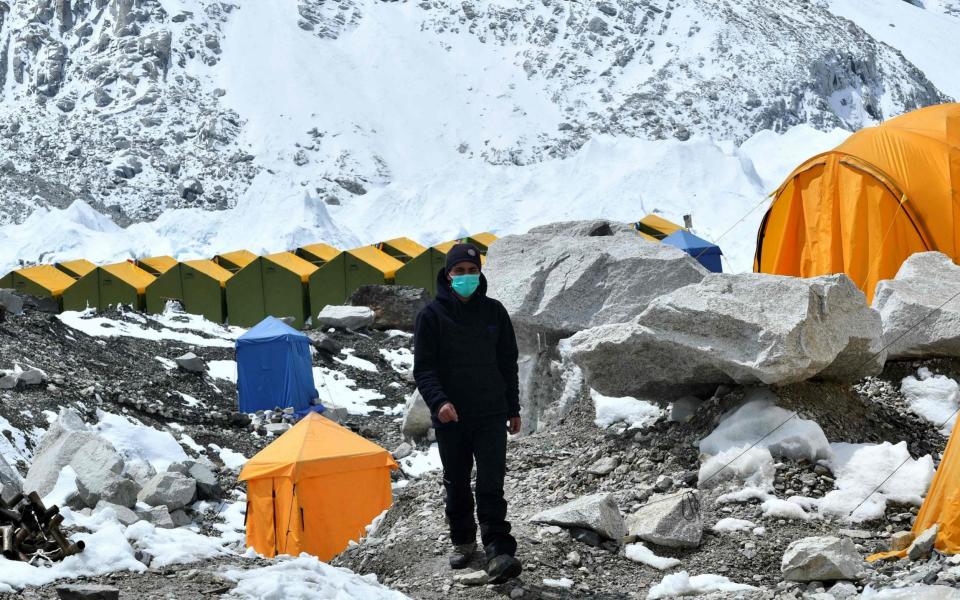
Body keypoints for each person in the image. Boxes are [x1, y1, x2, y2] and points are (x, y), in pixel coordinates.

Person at [413, 242, 522, 583]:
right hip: (452, 418)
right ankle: (463, 541)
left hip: (491, 413)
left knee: (491, 482)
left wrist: (513, 407)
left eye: (472, 271)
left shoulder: (495, 312)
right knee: (457, 482)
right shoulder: (431, 316)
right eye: (459, 271)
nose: (466, 277)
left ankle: (497, 548)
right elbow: (424, 369)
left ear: (480, 274)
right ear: (448, 275)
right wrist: (440, 402)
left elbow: (508, 363)